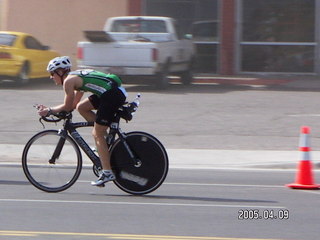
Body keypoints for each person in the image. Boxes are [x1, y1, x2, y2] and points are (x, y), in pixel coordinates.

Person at [37, 56, 127, 187]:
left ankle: (107, 172)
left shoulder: (68, 81)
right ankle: (106, 142)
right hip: (112, 91)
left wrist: (49, 110)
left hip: (111, 95)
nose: (51, 77)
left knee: (97, 133)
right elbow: (74, 104)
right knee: (82, 108)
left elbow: (67, 106)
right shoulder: (75, 77)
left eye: (52, 73)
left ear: (60, 72)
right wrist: (55, 110)